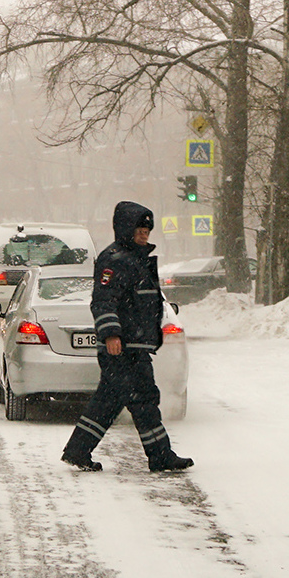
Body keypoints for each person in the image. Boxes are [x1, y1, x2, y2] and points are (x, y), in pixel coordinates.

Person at [61, 201, 192, 473]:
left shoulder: (136, 258)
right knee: (141, 399)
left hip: (134, 345)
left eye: (147, 228)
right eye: (139, 228)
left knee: (116, 401)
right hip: (122, 347)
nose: (144, 233)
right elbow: (103, 301)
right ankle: (159, 456)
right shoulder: (114, 259)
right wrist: (111, 334)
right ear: (125, 228)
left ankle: (79, 450)